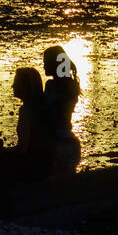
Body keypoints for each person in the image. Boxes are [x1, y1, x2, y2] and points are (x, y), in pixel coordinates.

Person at [7, 66, 55, 181]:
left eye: (16, 83)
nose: (12, 86)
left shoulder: (27, 111)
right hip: (43, 164)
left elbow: (25, 148)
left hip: (33, 168)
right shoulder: (42, 107)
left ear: (25, 86)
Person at [42, 44, 81, 174]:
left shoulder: (57, 89)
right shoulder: (69, 86)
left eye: (46, 62)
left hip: (59, 144)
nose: (43, 66)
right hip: (67, 141)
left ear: (54, 64)